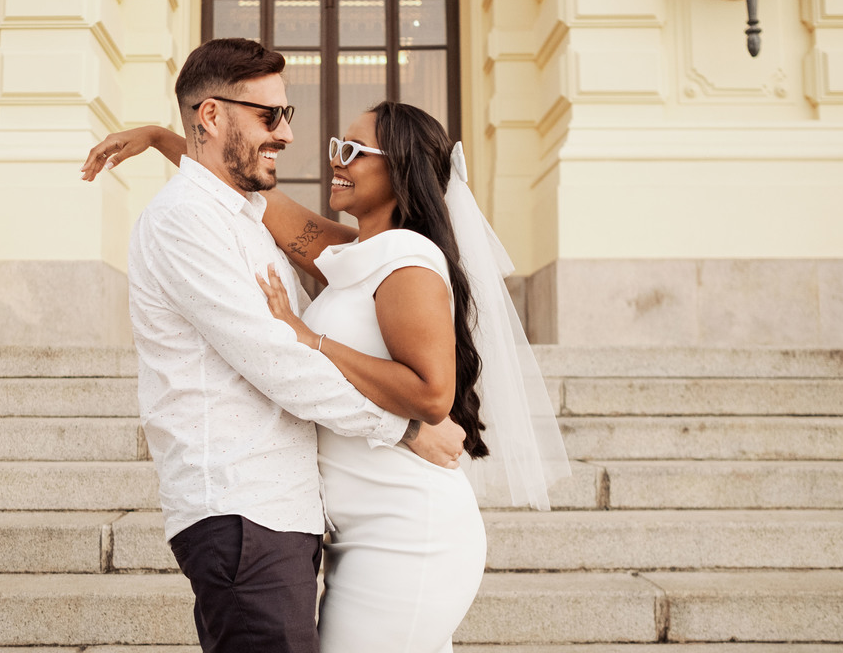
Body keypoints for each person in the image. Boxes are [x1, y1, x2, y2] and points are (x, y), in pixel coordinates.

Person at [86, 95, 571, 652]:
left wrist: (309, 337)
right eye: (339, 146)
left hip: (407, 532)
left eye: (354, 150)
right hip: (358, 535)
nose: (335, 159)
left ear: (401, 168)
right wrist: (160, 138)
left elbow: (433, 395)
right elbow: (247, 194)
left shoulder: (408, 261)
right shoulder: (353, 250)